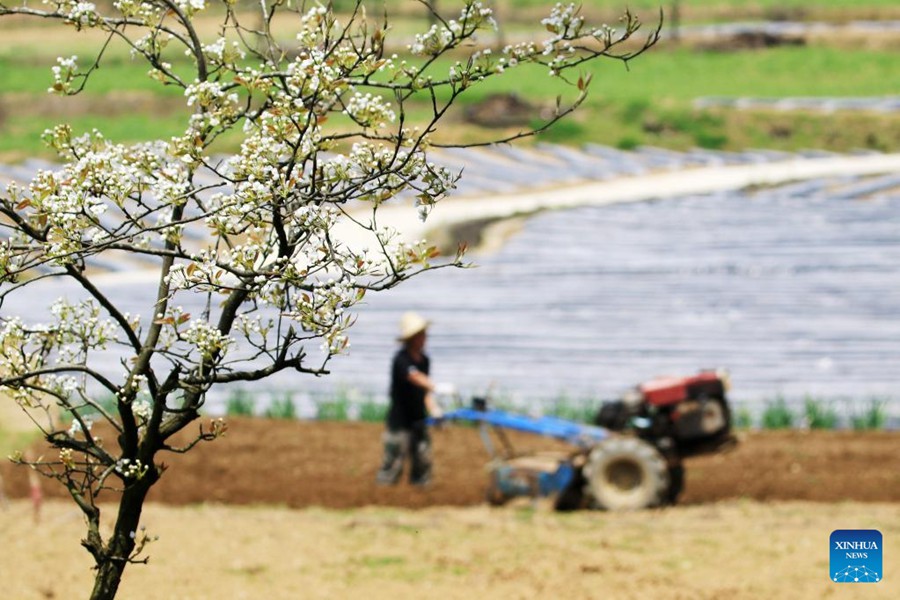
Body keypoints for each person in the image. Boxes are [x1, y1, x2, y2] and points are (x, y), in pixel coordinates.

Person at [376, 312, 443, 486]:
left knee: (423, 459)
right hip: (399, 422)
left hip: (419, 419)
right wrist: (436, 386)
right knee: (394, 462)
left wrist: (434, 409)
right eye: (421, 335)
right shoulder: (401, 359)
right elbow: (414, 377)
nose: (424, 338)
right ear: (412, 338)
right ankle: (383, 495)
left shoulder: (425, 360)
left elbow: (425, 391)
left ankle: (420, 499)